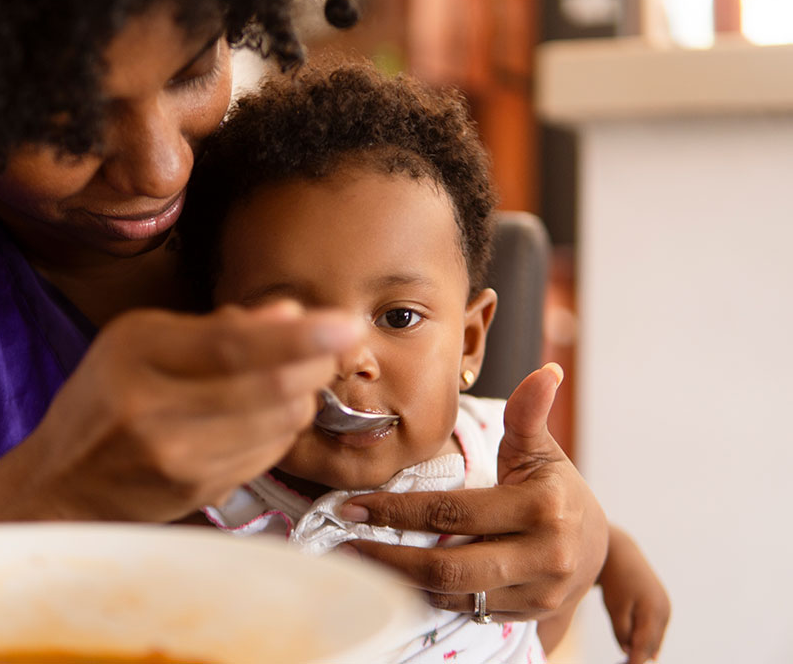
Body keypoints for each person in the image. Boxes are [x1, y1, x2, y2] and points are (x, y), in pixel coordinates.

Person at [0, 0, 612, 646]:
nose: (163, 169)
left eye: (193, 68)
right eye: (65, 118)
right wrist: (54, 497)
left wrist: (576, 538)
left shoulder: (282, 199)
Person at [178, 60, 669, 663]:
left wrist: (613, 554)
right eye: (296, 323)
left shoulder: (502, 456)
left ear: (468, 342)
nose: (351, 361)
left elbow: (564, 531)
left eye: (398, 318)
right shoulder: (199, 493)